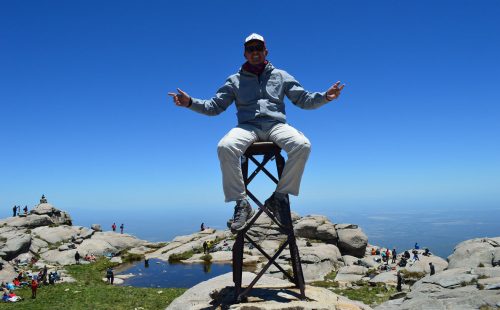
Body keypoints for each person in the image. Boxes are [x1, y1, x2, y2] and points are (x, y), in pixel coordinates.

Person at [169, 33, 345, 232]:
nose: (255, 52)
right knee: (225, 147)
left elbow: (303, 100)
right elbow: (214, 107)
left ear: (265, 51)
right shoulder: (234, 80)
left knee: (302, 145)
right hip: (247, 126)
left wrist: (326, 97)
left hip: (276, 125)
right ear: (245, 53)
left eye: (258, 48)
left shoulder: (281, 76)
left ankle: (279, 197)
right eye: (250, 49)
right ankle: (242, 203)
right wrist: (190, 103)